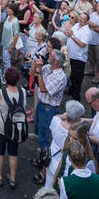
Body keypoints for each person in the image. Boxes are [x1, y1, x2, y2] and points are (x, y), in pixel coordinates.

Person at [0, 66, 29, 188]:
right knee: (13, 152)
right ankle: (12, 178)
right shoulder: (23, 92)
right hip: (16, 129)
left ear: (6, 79)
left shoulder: (0, 93)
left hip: (1, 127)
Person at [33, 49, 68, 180]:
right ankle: (41, 160)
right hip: (41, 106)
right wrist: (35, 66)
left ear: (57, 61)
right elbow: (33, 75)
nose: (48, 56)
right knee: (40, 135)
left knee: (46, 140)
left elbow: (43, 89)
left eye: (51, 55)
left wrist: (38, 71)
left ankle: (44, 172)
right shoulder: (47, 67)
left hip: (49, 110)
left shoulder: (60, 77)